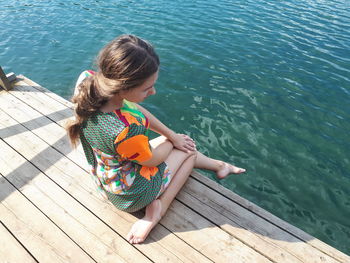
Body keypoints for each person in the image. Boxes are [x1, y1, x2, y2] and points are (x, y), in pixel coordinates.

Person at [66, 34, 246, 244]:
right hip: (130, 195)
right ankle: (156, 213)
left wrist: (171, 136)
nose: (153, 91)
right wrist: (173, 141)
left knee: (177, 143)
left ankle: (219, 165)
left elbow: (136, 112)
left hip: (107, 177)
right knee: (188, 152)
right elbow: (152, 160)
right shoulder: (125, 131)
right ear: (123, 88)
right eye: (147, 88)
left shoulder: (90, 82)